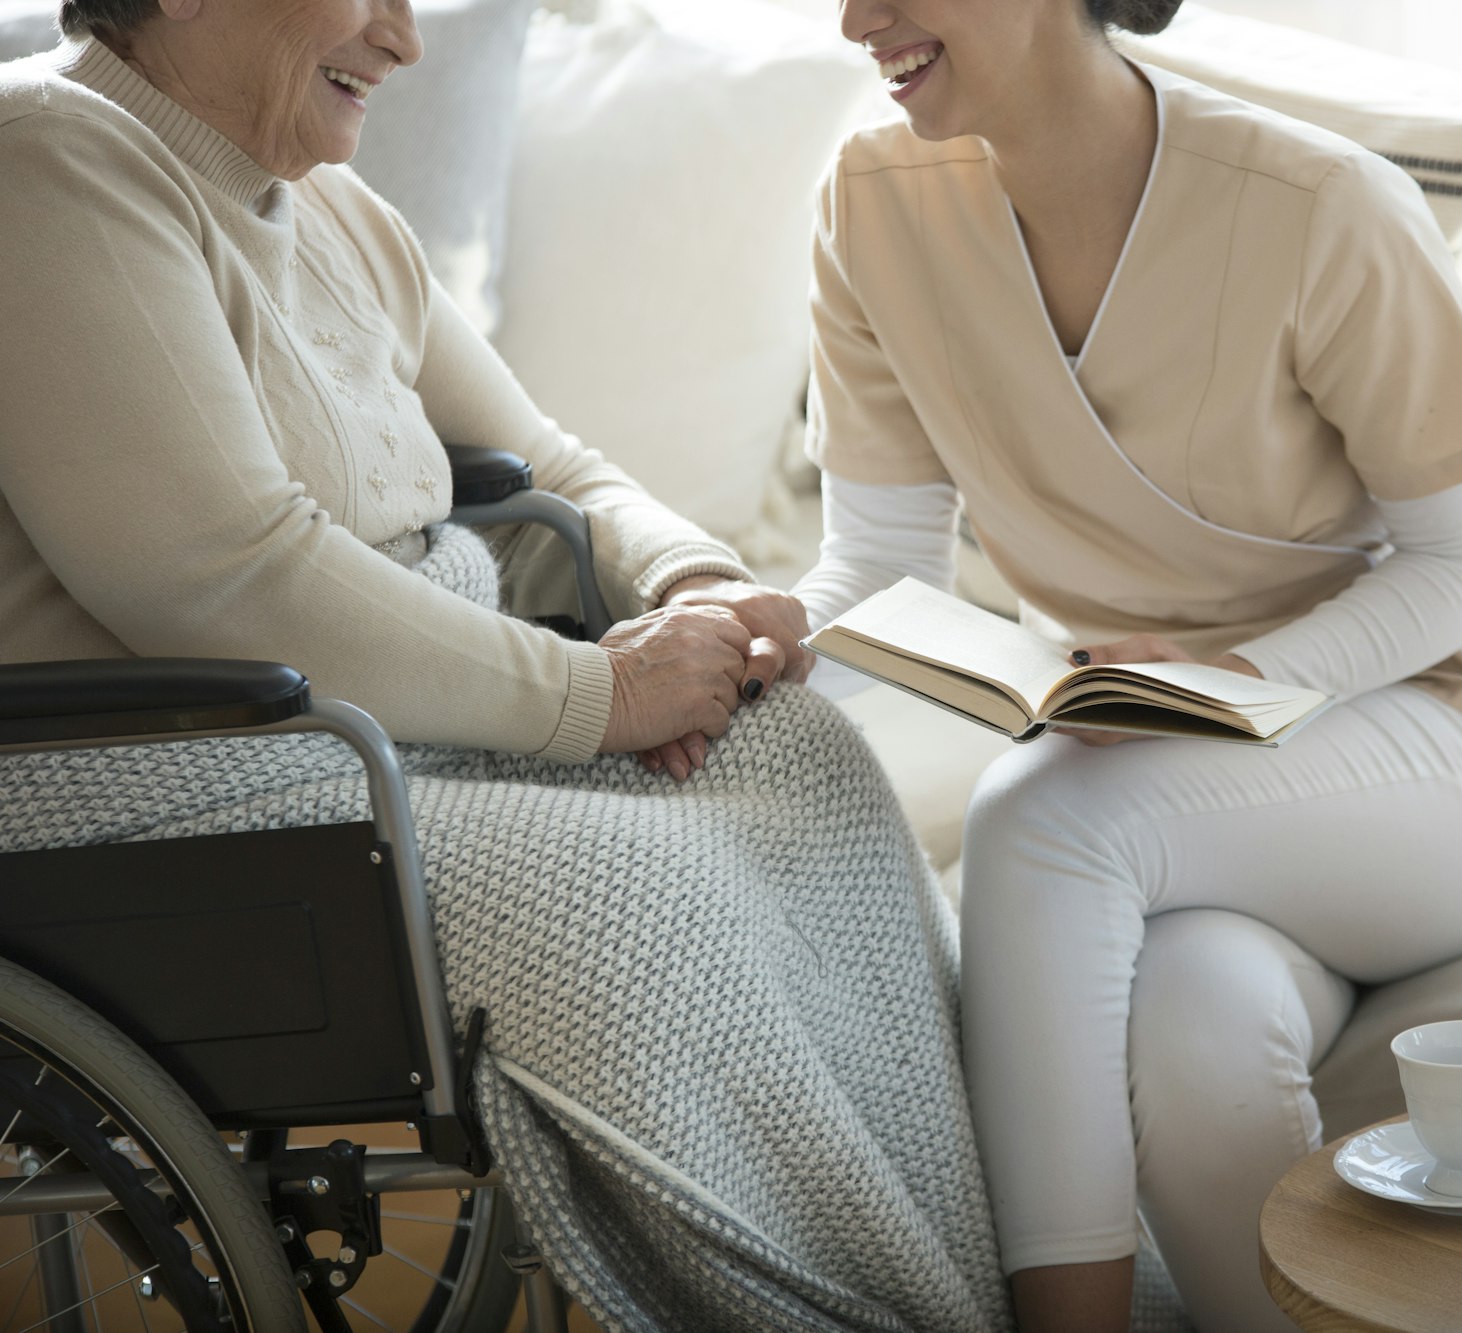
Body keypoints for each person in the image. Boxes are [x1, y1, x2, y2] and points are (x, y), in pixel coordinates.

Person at [0, 2, 1010, 1328]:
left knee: (802, 755)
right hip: (173, 790)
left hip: (371, 751)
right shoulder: (50, 159)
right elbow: (227, 578)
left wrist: (699, 584)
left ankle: (1006, 1286)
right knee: (649, 906)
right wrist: (600, 695)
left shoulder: (339, 214)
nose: (405, 42)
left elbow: (552, 463)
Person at [793, 1, 1462, 1329]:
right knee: (1192, 1027)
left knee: (1041, 812)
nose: (852, 19)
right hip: (1200, 796)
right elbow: (877, 561)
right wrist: (757, 650)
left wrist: (1224, 694)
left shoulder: (1320, 204)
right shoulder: (873, 201)